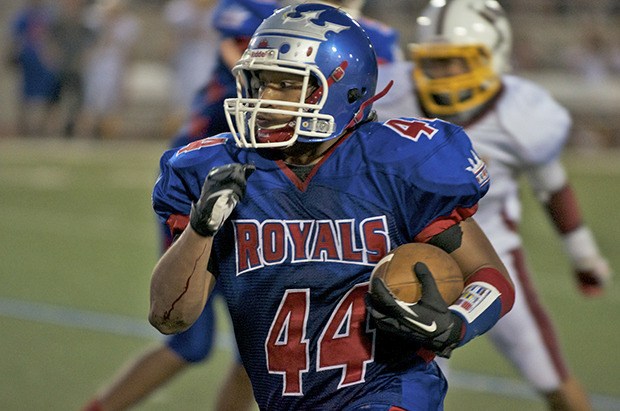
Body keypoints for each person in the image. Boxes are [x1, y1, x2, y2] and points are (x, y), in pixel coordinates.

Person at [148, 3, 515, 410]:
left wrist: (458, 322)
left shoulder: (394, 163)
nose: (265, 99)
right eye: (260, 82)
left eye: (287, 84)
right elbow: (170, 317)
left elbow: (490, 275)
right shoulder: (220, 169)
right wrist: (200, 229)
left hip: (388, 395)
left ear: (345, 88)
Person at [392, 0, 612, 410]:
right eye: (434, 62)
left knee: (551, 377)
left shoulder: (521, 115)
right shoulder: (390, 96)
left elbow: (552, 186)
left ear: (494, 55)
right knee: (410, 387)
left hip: (492, 262)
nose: (442, 75)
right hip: (409, 260)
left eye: (457, 61)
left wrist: (583, 256)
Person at [7, 0, 60, 137]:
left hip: (43, 62)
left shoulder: (48, 15)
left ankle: (41, 130)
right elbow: (15, 39)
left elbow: (52, 38)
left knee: (46, 96)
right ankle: (23, 130)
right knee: (24, 97)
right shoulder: (23, 16)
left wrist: (51, 56)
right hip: (27, 61)